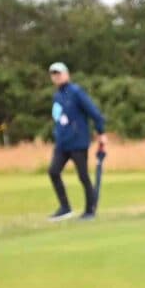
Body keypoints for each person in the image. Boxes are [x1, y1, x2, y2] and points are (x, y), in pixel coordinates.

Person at [46, 62, 106, 219]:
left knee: (83, 176)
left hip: (78, 142)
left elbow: (94, 113)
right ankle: (65, 207)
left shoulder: (76, 92)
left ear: (67, 74)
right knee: (53, 171)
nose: (57, 77)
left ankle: (90, 210)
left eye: (59, 73)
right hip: (62, 143)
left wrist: (101, 132)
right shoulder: (57, 96)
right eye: (54, 74)